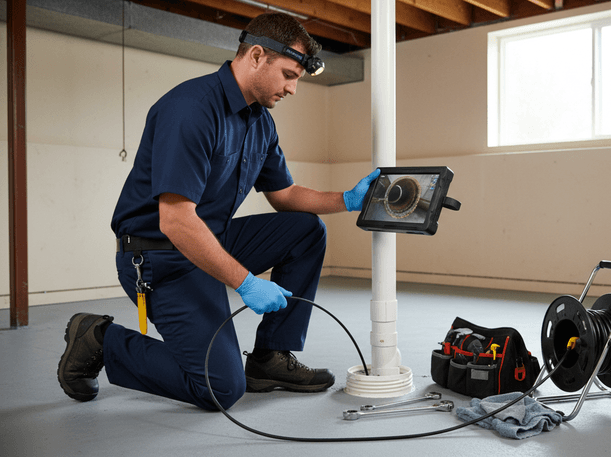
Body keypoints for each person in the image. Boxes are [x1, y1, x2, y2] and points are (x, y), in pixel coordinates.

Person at [57, 12, 379, 411]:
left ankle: (269, 358)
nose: (293, 89)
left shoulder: (260, 122)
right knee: (221, 388)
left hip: (209, 239)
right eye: (289, 75)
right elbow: (175, 220)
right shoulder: (190, 108)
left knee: (305, 230)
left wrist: (348, 199)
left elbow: (285, 194)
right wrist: (246, 282)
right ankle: (101, 339)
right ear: (257, 55)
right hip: (160, 256)